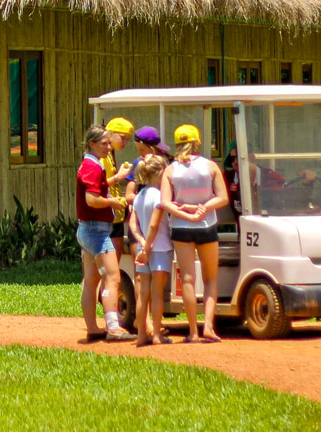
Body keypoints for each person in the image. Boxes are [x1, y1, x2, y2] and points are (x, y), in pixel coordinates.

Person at [169, 124, 229, 343]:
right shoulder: (210, 166)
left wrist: (185, 212)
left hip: (180, 227)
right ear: (198, 142)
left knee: (187, 278)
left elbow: (166, 202)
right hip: (206, 226)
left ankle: (192, 331)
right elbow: (222, 198)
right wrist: (203, 208)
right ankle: (209, 328)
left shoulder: (171, 169)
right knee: (210, 278)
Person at [77, 124, 134, 341]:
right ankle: (113, 328)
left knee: (91, 280)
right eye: (104, 143)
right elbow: (92, 199)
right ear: (92, 144)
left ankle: (93, 328)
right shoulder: (94, 167)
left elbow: (97, 188)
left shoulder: (89, 164)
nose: (108, 147)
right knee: (112, 277)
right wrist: (114, 202)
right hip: (97, 231)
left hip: (87, 229)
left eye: (109, 143)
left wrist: (116, 179)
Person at [129, 154, 172, 346]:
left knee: (143, 293)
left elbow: (133, 224)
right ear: (161, 172)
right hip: (159, 247)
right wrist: (148, 246)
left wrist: (141, 243)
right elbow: (154, 226)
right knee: (156, 293)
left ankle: (141, 335)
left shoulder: (139, 196)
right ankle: (156, 334)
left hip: (142, 248)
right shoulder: (159, 196)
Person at [101, 117, 136, 255]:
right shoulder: (102, 156)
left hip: (115, 214)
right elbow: (96, 186)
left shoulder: (110, 154)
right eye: (123, 138)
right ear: (111, 134)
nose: (125, 142)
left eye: (128, 139)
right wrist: (118, 177)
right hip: (107, 215)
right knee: (110, 268)